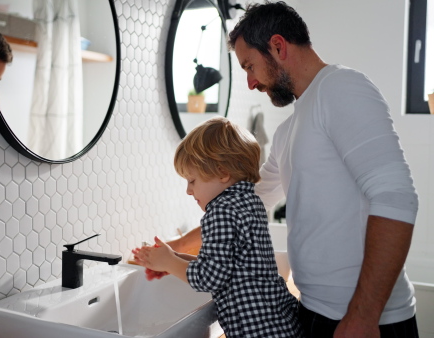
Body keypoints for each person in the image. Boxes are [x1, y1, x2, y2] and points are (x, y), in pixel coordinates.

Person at [159, 2, 420, 337]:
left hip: (365, 320)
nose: (251, 82)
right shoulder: (288, 131)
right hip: (314, 314)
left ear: (278, 46)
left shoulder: (341, 88)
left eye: (250, 66)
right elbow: (243, 202)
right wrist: (174, 248)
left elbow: (396, 198)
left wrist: (363, 315)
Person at [134, 117, 302, 338]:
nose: (188, 190)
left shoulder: (221, 211)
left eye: (192, 181)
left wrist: (169, 262)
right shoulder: (250, 202)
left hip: (257, 331)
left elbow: (210, 278)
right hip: (279, 321)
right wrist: (175, 258)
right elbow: (230, 270)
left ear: (223, 173)